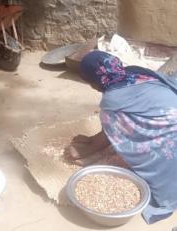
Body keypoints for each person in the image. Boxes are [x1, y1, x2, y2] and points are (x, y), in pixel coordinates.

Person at [65, 50, 177, 224]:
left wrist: (81, 152)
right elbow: (121, 123)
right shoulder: (133, 73)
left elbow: (112, 133)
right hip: (171, 111)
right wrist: (91, 139)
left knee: (131, 150)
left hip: (172, 132)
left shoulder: (112, 99)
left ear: (93, 82)